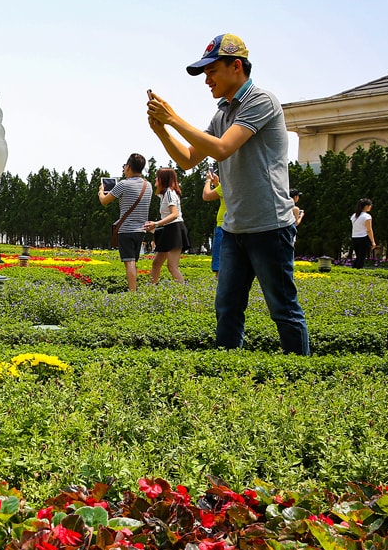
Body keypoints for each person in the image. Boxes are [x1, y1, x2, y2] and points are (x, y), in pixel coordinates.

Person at [147, 33, 309, 355]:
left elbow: (222, 149)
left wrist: (173, 118)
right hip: (234, 229)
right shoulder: (222, 113)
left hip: (270, 226)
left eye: (211, 72)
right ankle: (226, 372)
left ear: (236, 66)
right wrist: (161, 130)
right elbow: (189, 159)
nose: (207, 80)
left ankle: (300, 378)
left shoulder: (261, 101)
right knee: (227, 310)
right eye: (205, 74)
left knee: (283, 311)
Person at [98, 152, 152, 292]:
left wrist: (101, 191)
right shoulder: (148, 185)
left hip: (126, 230)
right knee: (134, 261)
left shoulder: (123, 184)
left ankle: (133, 293)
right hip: (141, 230)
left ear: (128, 167)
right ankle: (134, 289)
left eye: (124, 166)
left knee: (129, 263)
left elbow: (104, 201)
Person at [143, 168, 188, 285]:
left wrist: (156, 223)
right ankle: (151, 288)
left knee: (172, 266)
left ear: (164, 179)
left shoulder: (169, 193)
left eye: (158, 177)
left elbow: (174, 214)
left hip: (175, 230)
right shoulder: (164, 194)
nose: (155, 179)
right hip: (169, 229)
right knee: (156, 263)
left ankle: (184, 294)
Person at [202, 169, 226, 278]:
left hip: (223, 226)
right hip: (237, 226)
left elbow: (206, 195)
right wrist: (216, 184)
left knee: (220, 262)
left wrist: (208, 181)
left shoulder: (229, 184)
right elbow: (223, 194)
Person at [350, 198, 375, 269]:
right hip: (363, 237)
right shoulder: (367, 216)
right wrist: (373, 242)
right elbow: (369, 230)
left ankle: (353, 270)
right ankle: (358, 271)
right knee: (362, 257)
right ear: (366, 206)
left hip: (354, 237)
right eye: (370, 205)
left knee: (359, 257)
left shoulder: (354, 215)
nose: (371, 207)